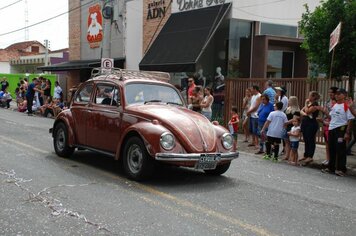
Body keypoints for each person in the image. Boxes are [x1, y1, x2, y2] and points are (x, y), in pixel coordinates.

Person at [321, 88, 354, 176]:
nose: (337, 95)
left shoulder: (346, 105)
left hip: (341, 128)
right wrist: (325, 112)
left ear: (344, 95)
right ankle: (331, 167)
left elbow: (350, 119)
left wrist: (347, 132)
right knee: (332, 148)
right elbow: (332, 117)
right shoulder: (335, 105)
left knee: (340, 149)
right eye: (336, 94)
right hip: (332, 128)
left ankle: (341, 169)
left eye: (339, 94)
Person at [299, 91, 321, 165]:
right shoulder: (309, 103)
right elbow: (301, 111)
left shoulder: (315, 104)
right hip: (306, 122)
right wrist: (305, 113)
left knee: (310, 139)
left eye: (310, 96)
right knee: (306, 139)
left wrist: (305, 107)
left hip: (311, 124)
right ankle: (306, 154)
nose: (308, 97)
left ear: (314, 97)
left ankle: (310, 156)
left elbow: (308, 111)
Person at [318, 87, 338, 165]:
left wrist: (325, 112)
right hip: (325, 123)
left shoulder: (337, 103)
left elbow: (330, 114)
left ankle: (333, 161)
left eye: (331, 92)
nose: (330, 94)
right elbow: (324, 113)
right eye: (329, 92)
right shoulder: (328, 101)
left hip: (333, 123)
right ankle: (328, 158)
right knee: (326, 143)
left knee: (332, 144)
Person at [283, 96, 300, 161]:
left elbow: (294, 119)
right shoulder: (288, 108)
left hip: (291, 126)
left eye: (290, 100)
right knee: (286, 141)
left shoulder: (296, 110)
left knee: (291, 142)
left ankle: (292, 157)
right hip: (286, 125)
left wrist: (286, 123)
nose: (288, 102)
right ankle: (287, 155)